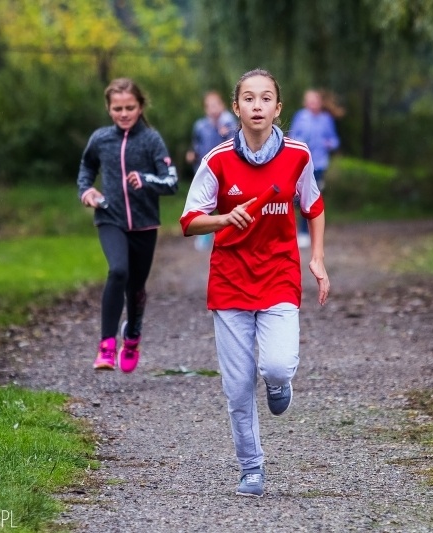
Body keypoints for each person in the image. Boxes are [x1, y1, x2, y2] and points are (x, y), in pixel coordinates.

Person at [179, 69, 330, 498]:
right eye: (249, 98)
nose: (257, 105)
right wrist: (224, 218)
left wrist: (317, 258)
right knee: (237, 386)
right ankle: (251, 467)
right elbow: (189, 220)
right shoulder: (217, 160)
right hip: (230, 280)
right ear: (236, 107)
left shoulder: (298, 155)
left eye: (266, 98)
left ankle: (279, 382)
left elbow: (314, 206)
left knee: (277, 365)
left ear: (278, 109)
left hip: (279, 273)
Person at [77, 77, 178, 373]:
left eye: (130, 108)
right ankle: (106, 346)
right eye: (117, 108)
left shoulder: (151, 140)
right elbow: (87, 167)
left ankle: (132, 335)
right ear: (109, 109)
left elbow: (171, 182)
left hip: (144, 225)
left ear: (140, 107)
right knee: (118, 271)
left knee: (136, 288)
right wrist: (87, 191)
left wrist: (145, 180)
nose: (124, 114)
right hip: (110, 217)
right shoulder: (100, 139)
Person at [185, 91, 238, 251]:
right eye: (209, 106)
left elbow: (236, 144)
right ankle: (205, 233)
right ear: (205, 109)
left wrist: (225, 134)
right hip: (205, 169)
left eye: (216, 105)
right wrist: (192, 154)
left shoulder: (230, 123)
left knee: (226, 200)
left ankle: (229, 231)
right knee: (206, 201)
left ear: (222, 105)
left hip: (225, 170)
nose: (213, 109)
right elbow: (196, 145)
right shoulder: (200, 126)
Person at [288, 88, 341, 248]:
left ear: (320, 103)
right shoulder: (300, 117)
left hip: (319, 164)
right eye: (310, 101)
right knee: (298, 197)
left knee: (312, 198)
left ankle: (307, 233)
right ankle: (298, 231)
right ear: (305, 103)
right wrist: (300, 141)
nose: (313, 104)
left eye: (315, 101)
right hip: (301, 163)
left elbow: (334, 140)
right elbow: (291, 137)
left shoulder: (326, 119)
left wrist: (328, 144)